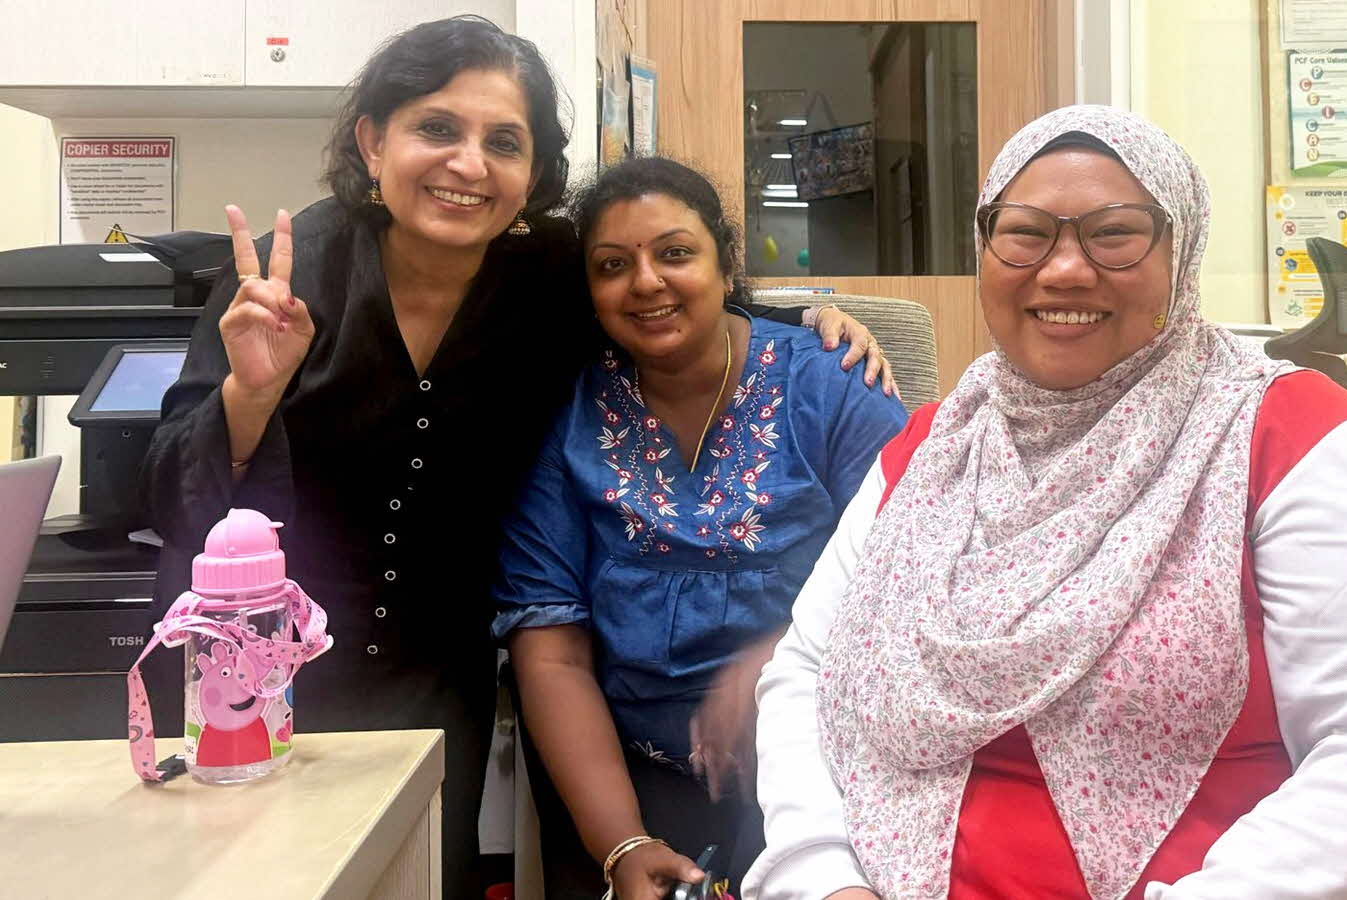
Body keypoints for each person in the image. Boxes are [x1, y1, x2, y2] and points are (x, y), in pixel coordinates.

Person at [139, 17, 893, 899]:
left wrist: (813, 326)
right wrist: (251, 396)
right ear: (373, 141)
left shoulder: (548, 280)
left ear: (533, 175)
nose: (468, 164)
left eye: (503, 142)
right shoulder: (281, 276)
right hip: (252, 671)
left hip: (433, 676)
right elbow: (166, 505)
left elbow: (671, 311)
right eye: (436, 129)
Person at [744, 106, 1347, 900]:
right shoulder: (930, 449)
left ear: (1182, 255)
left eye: (1114, 233)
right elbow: (811, 673)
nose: (1065, 269)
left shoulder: (1295, 442)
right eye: (1025, 231)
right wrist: (823, 876)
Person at [492, 157, 908, 900]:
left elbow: (914, 578)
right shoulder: (568, 416)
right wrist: (622, 844)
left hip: (823, 758)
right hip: (625, 771)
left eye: (676, 253)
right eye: (613, 265)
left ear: (724, 264)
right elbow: (550, 648)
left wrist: (777, 662)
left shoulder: (833, 385)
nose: (646, 282)